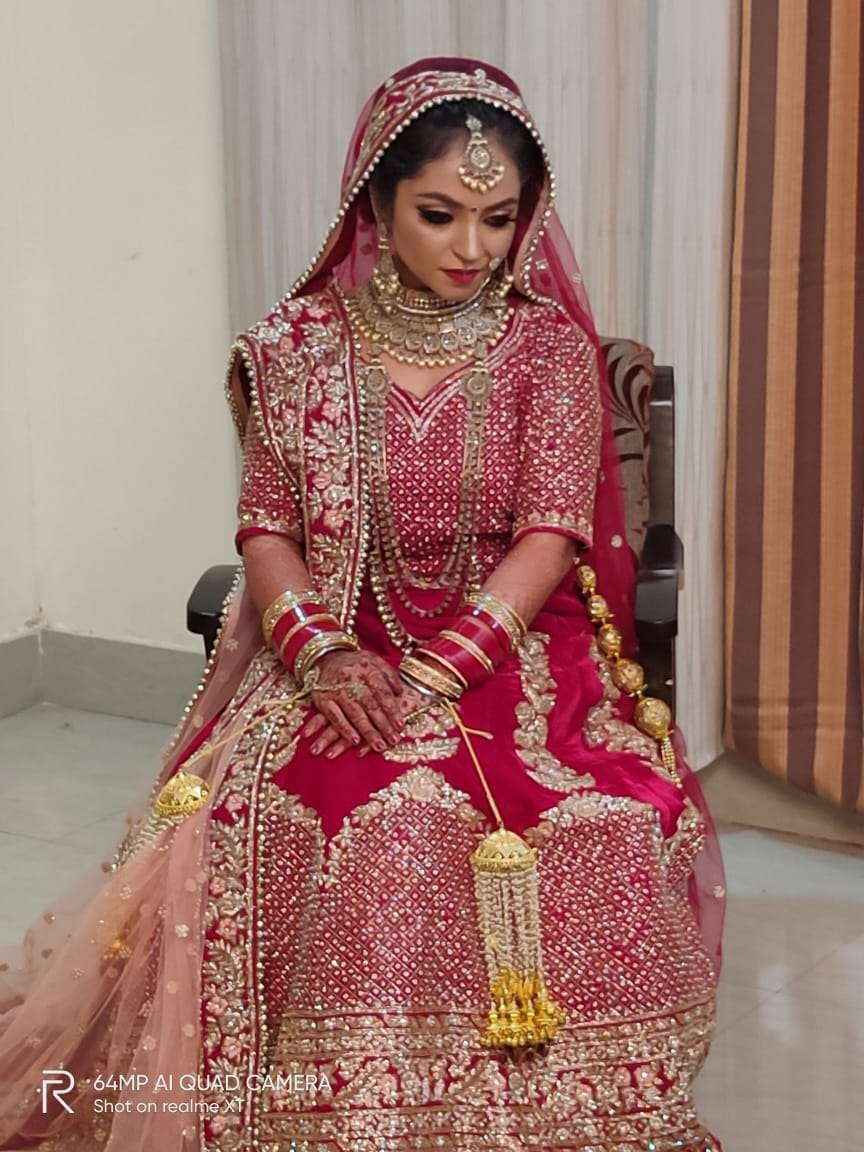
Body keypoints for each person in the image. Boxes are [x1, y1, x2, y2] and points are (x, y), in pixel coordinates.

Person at [0, 57, 725, 1152]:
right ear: (376, 206)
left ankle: (532, 1110)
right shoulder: (295, 347)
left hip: (513, 644)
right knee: (292, 799)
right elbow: (268, 528)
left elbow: (550, 535)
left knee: (572, 812)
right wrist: (322, 656)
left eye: (499, 219)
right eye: (440, 215)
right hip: (339, 635)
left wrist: (438, 673)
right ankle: (317, 1110)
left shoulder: (546, 349)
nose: (472, 248)